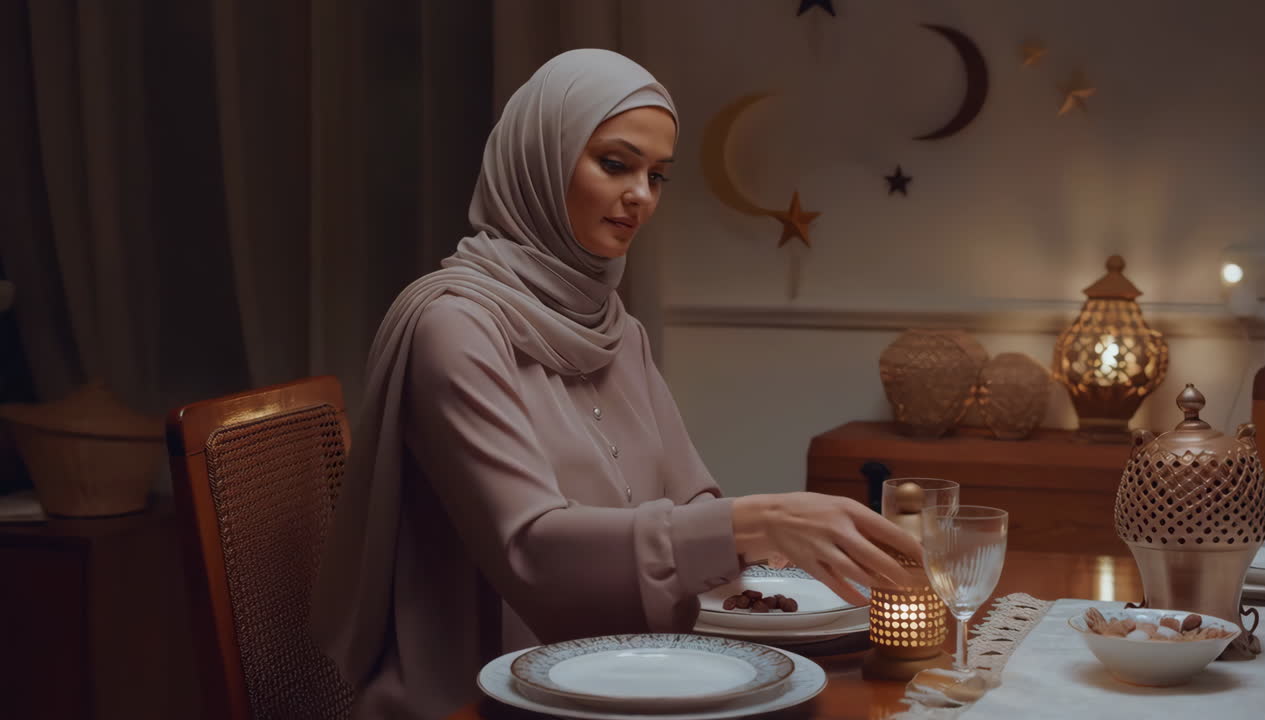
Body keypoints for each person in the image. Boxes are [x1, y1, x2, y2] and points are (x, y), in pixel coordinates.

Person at [310, 48, 922, 718]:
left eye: (657, 176)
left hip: (618, 678)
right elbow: (531, 552)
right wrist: (765, 519)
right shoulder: (453, 325)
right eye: (614, 163)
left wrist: (776, 537)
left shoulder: (613, 324)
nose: (641, 196)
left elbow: (692, 496)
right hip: (474, 698)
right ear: (539, 159)